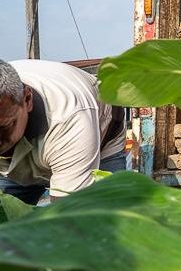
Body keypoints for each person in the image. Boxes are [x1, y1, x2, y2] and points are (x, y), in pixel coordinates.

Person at [0, 59, 126, 205]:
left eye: (4, 127)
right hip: (19, 160)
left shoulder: (69, 117)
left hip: (98, 140)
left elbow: (68, 215)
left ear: (27, 100)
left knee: (106, 218)